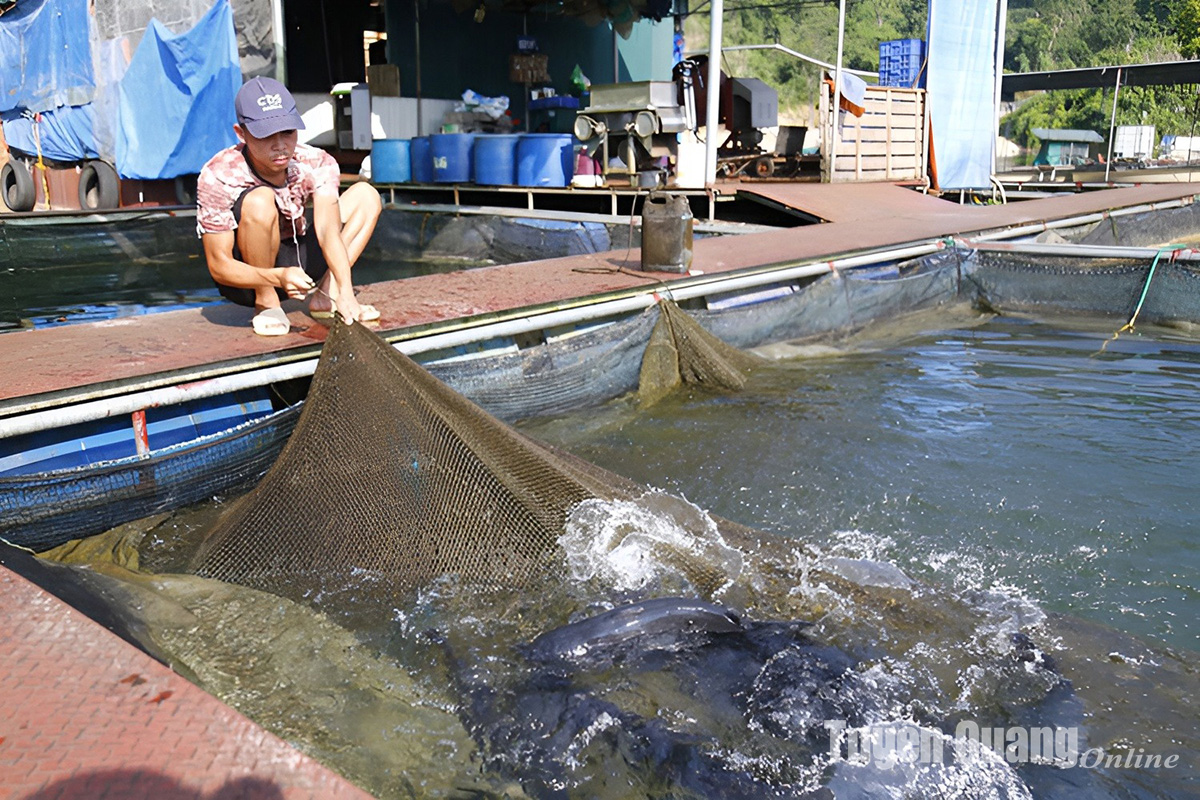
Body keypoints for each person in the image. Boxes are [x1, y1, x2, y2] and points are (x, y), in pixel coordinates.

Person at [196, 76, 382, 335]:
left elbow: (328, 231)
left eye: (288, 132)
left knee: (366, 194)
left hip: (298, 262)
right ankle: (266, 302)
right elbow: (219, 265)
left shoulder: (317, 161)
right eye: (266, 135)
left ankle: (328, 294)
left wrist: (347, 290)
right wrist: (276, 277)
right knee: (260, 200)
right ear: (241, 134)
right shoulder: (219, 173)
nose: (280, 145)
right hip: (248, 278)